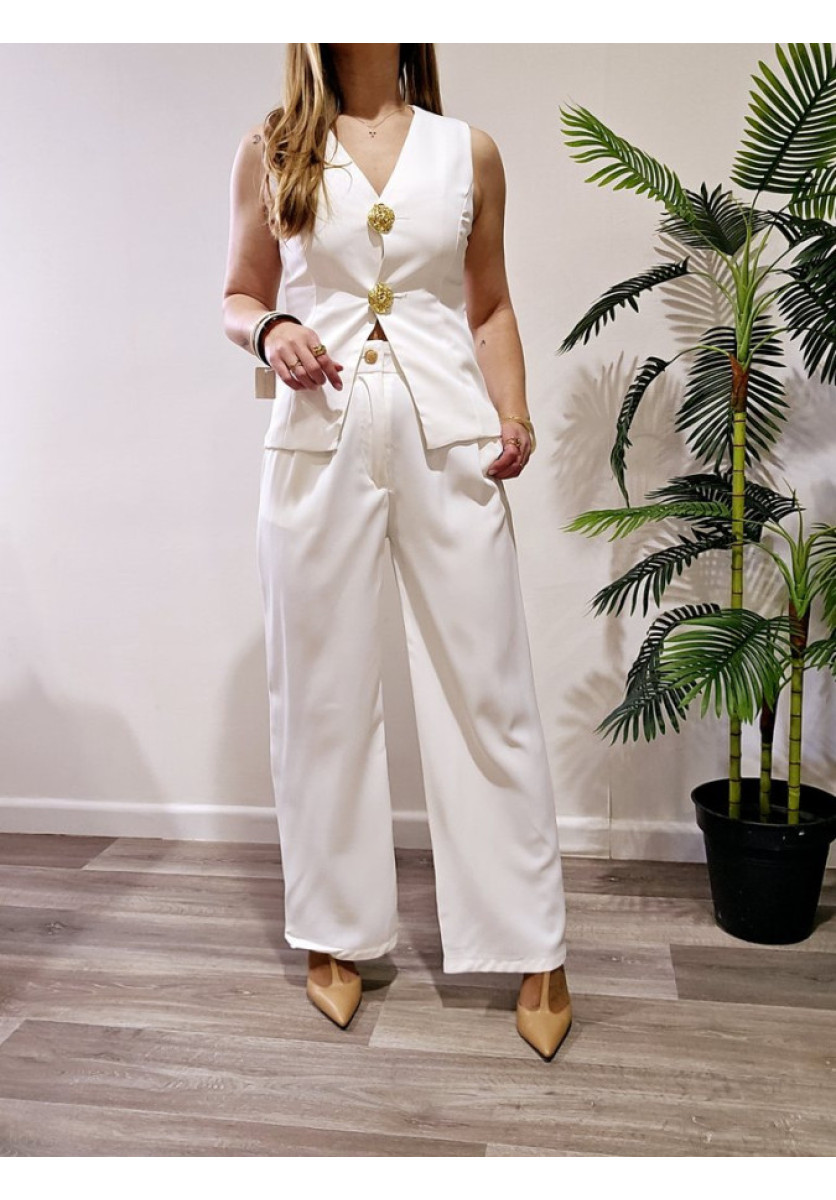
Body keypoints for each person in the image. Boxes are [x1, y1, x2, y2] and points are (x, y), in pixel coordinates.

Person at [222, 43, 572, 1061]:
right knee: (319, 689)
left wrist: (514, 410)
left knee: (488, 685)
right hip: (315, 439)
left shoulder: (468, 152)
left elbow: (489, 303)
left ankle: (533, 943)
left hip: (450, 435)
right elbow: (237, 292)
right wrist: (271, 329)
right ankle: (333, 931)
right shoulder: (272, 147)